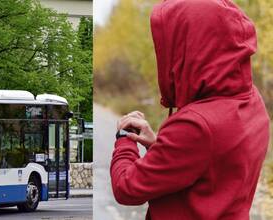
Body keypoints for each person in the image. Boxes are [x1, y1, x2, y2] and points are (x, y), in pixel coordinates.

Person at [110, 0, 270, 219]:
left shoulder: (195, 124)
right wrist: (159, 147)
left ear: (193, 46)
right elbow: (212, 165)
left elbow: (126, 188)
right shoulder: (252, 100)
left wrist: (124, 139)